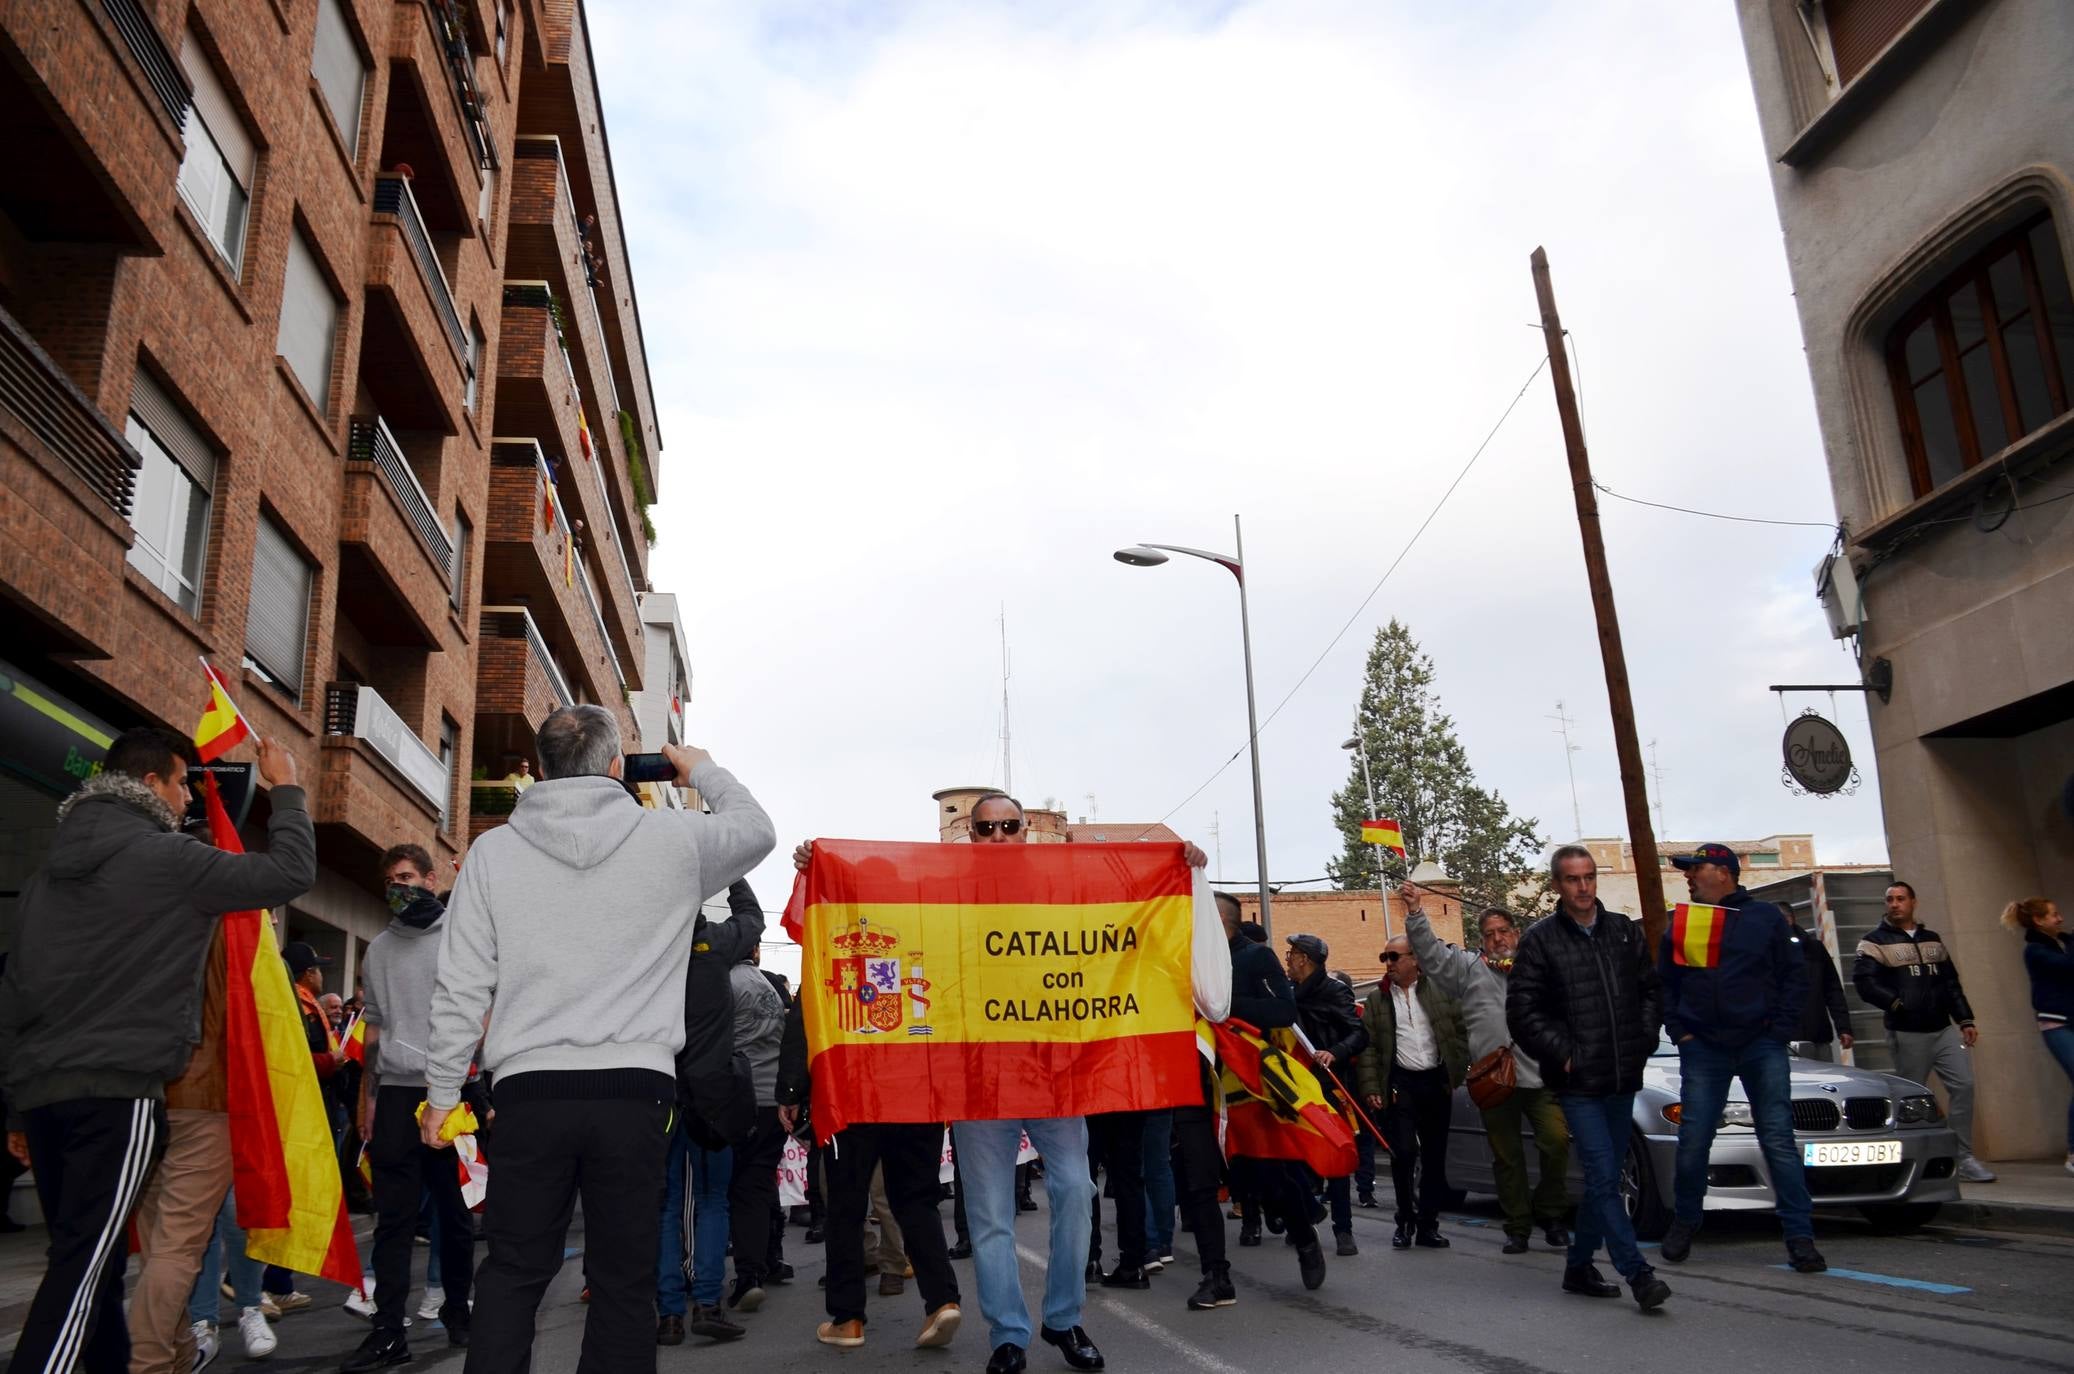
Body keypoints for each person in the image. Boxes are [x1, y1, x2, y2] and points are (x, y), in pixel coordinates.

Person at [419, 708, 774, 1374]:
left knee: (515, 1271)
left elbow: (461, 985)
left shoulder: (494, 852)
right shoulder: (671, 841)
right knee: (623, 1280)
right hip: (635, 1091)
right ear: (618, 768)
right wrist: (701, 771)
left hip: (528, 1090)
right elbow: (757, 830)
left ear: (543, 771)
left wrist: (441, 1093)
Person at [0, 728, 314, 1374]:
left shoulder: (42, 878)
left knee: (94, 1255)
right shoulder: (167, 859)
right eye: (180, 784)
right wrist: (284, 789)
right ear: (150, 784)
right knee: (85, 1267)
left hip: (42, 1093)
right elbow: (288, 873)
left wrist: (13, 1110)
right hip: (119, 1089)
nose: (184, 801)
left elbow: (13, 989)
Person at [1506, 844, 1670, 1312]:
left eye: (1589, 877)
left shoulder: (1622, 931)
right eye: (1573, 879)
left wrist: (1641, 1036)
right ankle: (1638, 1273)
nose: (1583, 887)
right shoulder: (1540, 940)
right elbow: (1522, 1012)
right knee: (1602, 1175)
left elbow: (1650, 991)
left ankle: (1579, 1266)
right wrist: (1566, 1054)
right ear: (1557, 885)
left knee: (1607, 1176)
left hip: (1622, 1076)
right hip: (1577, 1083)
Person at [340, 844, 478, 1371]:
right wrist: (368, 1101)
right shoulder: (377, 950)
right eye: (391, 881)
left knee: (455, 1217)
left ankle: (459, 1315)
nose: (400, 888)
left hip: (449, 1095)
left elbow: (479, 1012)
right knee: (394, 1222)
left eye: (407, 877)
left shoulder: (459, 941)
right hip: (396, 1095)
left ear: (428, 877)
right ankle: (388, 1330)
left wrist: (476, 1083)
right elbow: (373, 1026)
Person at [1657, 843, 1824, 1274]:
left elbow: (1794, 976)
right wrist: (1683, 1033)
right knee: (1694, 1141)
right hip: (1705, 1048)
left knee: (1778, 1140)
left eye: (1696, 869)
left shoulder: (1764, 918)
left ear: (1724, 873)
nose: (1689, 877)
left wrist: (1779, 1029)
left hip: (1761, 1045)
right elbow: (1666, 985)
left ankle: (1800, 1237)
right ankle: (1686, 1220)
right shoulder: (1687, 921)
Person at [774, 967, 962, 1351]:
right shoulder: (922, 934)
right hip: (915, 1088)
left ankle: (848, 1319)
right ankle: (941, 1300)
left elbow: (806, 1015)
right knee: (917, 1201)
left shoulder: (833, 938)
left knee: (846, 1208)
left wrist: (790, 1090)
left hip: (851, 1091)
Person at [1403, 894, 1569, 1256]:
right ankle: (1518, 1228)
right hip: (1494, 1081)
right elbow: (1430, 955)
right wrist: (1416, 914)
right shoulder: (1467, 969)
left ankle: (1552, 1213)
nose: (1498, 939)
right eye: (1490, 933)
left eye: (1504, 931)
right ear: (1482, 940)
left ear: (1517, 933)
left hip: (1540, 1076)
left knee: (1556, 1141)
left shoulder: (1539, 967)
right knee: (1506, 1157)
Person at [659, 877, 764, 1346]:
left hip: (660, 1095)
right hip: (714, 1099)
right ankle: (706, 1304)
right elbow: (754, 919)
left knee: (664, 1206)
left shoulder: (647, 950)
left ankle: (669, 1315)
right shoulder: (716, 944)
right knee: (712, 1200)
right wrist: (731, 873)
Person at [1853, 881, 1994, 1181]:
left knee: (1964, 1085)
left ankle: (1963, 1157)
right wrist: (1896, 1004)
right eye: (1890, 899)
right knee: (1910, 1097)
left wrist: (1965, 1019)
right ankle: (1912, 1162)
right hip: (1907, 1031)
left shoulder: (1933, 940)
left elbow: (1951, 984)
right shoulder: (1873, 941)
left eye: (1901, 899)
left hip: (1942, 1028)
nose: (1894, 904)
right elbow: (1865, 983)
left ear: (1913, 902)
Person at [1355, 933, 1463, 1252]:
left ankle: (1428, 1225)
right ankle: (1404, 1221)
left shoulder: (1440, 991)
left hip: (1436, 1081)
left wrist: (1457, 1069)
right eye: (1384, 957)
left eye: (1393, 956)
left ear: (1414, 959)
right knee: (1403, 1154)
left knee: (1434, 1157)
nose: (1388, 964)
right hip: (1400, 1084)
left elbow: (1460, 1031)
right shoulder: (1378, 999)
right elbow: (1370, 1047)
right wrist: (1373, 1087)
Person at [1283, 933, 1367, 1256]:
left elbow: (1359, 1033)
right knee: (1296, 1155)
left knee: (1337, 1159)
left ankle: (1343, 1229)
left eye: (1292, 953)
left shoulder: (1335, 992)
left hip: (1330, 1086)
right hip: (1296, 1086)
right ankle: (1302, 1219)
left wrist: (1334, 1051)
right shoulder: (1287, 994)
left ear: (1304, 958)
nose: (1288, 959)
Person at [724, 936, 789, 1314]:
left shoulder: (725, 984)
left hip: (740, 1098)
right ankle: (771, 1257)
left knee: (738, 1190)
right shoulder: (771, 985)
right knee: (762, 1182)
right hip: (772, 1096)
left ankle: (749, 1273)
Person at [2002, 897, 2072, 1174]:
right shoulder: (2035, 950)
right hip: (2057, 1024)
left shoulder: (2059, 943)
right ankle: (2073, 1153)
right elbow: (2067, 968)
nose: (2060, 919)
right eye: (2054, 915)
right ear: (2039, 921)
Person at [1787, 914, 1853, 1063]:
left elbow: (1832, 989)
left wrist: (1844, 1027)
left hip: (1818, 1035)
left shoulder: (1814, 949)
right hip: (1785, 1041)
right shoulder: (1767, 952)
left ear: (1788, 920)